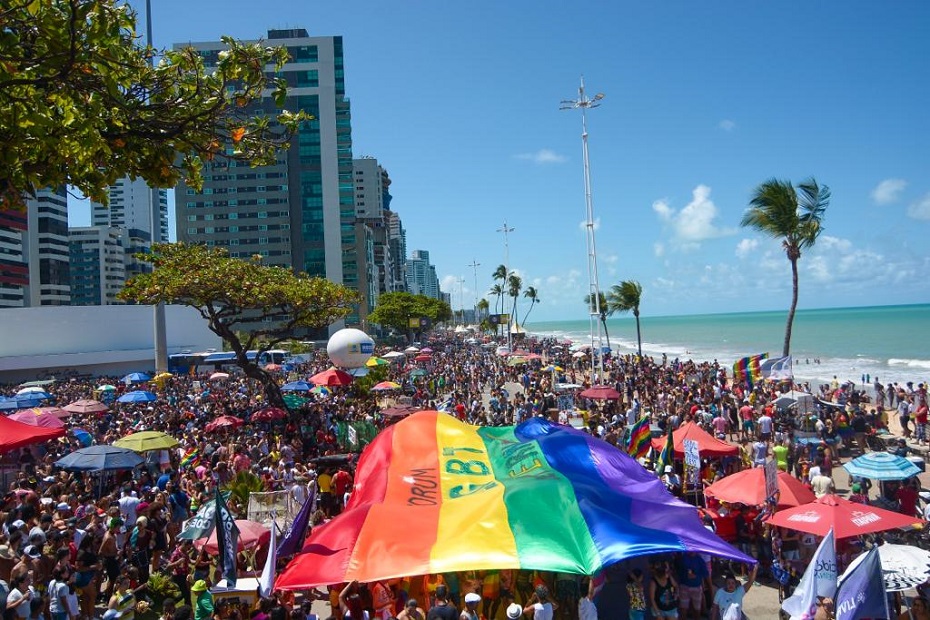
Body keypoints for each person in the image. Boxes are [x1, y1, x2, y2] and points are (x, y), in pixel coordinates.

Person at [676, 552, 708, 619]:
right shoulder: (682, 558)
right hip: (684, 587)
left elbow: (705, 573)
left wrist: (696, 576)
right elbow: (678, 572)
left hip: (696, 587)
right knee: (683, 609)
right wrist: (685, 575)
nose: (692, 551)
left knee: (697, 609)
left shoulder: (699, 559)